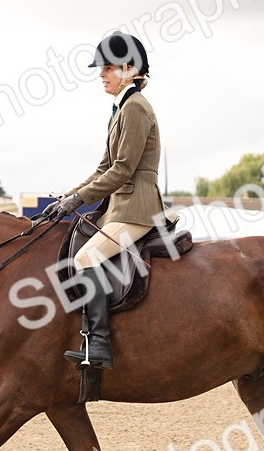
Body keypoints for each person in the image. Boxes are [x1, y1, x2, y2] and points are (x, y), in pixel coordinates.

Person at [42, 32, 172, 369]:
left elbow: (124, 169)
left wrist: (80, 199)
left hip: (137, 207)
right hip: (120, 205)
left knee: (85, 260)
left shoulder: (136, 108)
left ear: (130, 69)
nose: (101, 74)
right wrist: (70, 197)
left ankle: (99, 344)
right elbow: (104, 167)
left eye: (109, 68)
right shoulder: (120, 109)